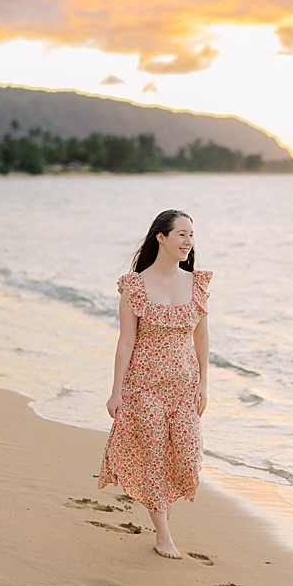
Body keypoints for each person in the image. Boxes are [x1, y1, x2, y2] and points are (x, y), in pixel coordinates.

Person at [101, 210, 212, 559]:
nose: (188, 242)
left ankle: (161, 505)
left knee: (188, 458)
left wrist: (204, 384)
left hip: (183, 387)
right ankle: (162, 533)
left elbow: (203, 337)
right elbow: (125, 342)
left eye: (191, 235)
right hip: (143, 386)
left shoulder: (196, 284)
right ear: (161, 238)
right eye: (181, 234)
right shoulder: (135, 286)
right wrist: (116, 391)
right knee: (153, 458)